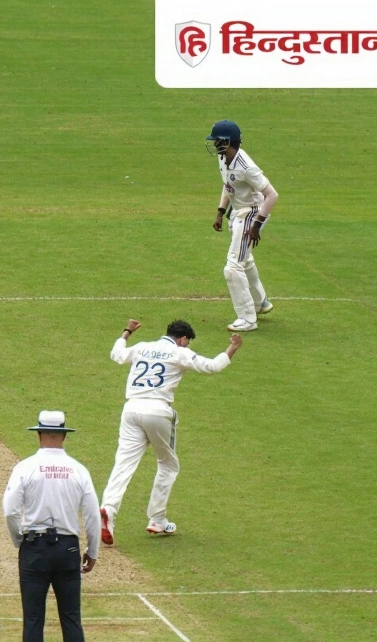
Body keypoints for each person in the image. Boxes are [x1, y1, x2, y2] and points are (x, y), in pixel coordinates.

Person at [98, 319, 242, 545]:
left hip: (131, 409)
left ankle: (108, 509)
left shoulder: (143, 346)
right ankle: (157, 519)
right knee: (168, 464)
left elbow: (117, 354)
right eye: (187, 342)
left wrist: (126, 332)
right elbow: (212, 366)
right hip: (158, 411)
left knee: (123, 464)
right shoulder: (179, 353)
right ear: (183, 339)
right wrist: (232, 348)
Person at [2, 411, 100, 642]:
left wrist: (20, 539)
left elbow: (9, 510)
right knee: (71, 618)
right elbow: (93, 515)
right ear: (64, 435)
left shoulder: (26, 467)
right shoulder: (78, 469)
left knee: (33, 619)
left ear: (39, 434)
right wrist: (92, 551)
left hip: (35, 547)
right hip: (68, 548)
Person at [207, 119, 278, 331]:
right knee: (243, 259)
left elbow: (272, 195)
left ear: (227, 142)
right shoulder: (223, 158)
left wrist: (256, 226)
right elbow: (228, 185)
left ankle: (247, 319)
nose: (213, 145)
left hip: (251, 213)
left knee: (232, 267)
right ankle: (261, 303)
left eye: (217, 141)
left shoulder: (247, 168)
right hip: (237, 213)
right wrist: (220, 211)